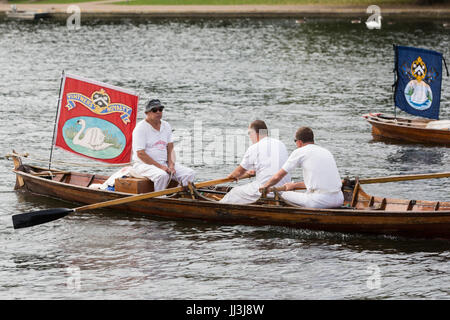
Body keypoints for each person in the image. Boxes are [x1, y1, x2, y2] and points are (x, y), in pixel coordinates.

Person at [260, 127, 344, 209]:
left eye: (295, 141)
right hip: (339, 199)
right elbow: (318, 182)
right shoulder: (326, 152)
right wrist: (294, 185)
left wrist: (265, 186)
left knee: (284, 195)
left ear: (299, 142)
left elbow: (278, 176)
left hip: (320, 201)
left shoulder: (300, 151)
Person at [219, 120, 291, 204]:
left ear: (255, 133)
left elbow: (239, 172)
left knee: (234, 192)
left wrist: (231, 176)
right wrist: (253, 171)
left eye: (249, 133)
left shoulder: (254, 148)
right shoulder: (280, 144)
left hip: (265, 190)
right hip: (284, 190)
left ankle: (217, 207)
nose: (249, 136)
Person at [131, 99, 195, 191]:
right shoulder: (140, 128)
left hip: (164, 163)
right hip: (143, 165)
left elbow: (170, 148)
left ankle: (179, 196)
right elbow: (140, 154)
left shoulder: (166, 125)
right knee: (162, 176)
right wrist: (160, 167)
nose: (158, 112)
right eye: (154, 110)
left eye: (160, 109)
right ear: (147, 113)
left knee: (189, 173)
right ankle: (160, 199)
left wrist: (171, 165)